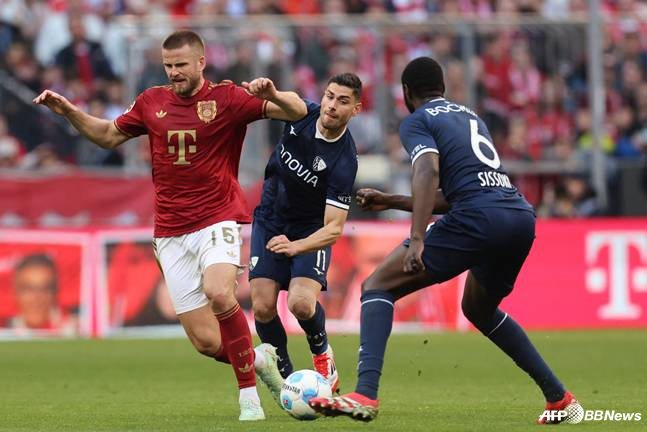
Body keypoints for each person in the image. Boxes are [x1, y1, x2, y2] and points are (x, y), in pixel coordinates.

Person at [33, 29, 307, 421]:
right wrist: (69, 111)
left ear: (201, 62)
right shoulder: (151, 101)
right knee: (207, 342)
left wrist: (273, 94)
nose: (174, 72)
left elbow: (297, 111)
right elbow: (108, 136)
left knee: (219, 292)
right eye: (168, 65)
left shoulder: (227, 98)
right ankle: (260, 362)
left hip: (217, 216)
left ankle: (248, 397)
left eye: (180, 65)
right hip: (170, 231)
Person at [309, 57, 582, 424]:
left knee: (377, 286)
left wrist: (417, 238)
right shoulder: (470, 116)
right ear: (442, 88)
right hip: (517, 216)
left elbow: (427, 170)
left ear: (406, 92)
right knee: (479, 310)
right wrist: (393, 201)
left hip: (477, 217)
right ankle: (559, 398)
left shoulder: (417, 121)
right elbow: (458, 192)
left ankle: (365, 394)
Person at [249, 73, 362, 402]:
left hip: (310, 229)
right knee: (262, 306)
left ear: (355, 110)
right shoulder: (303, 113)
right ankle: (285, 376)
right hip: (270, 219)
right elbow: (291, 101)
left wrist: (296, 246)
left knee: (300, 304)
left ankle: (321, 351)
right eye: (329, 96)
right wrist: (271, 92)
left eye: (342, 101)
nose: (332, 105)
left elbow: (334, 228)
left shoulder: (344, 161)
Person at [11, 253, 76, 335]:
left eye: (45, 289)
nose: (36, 298)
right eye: (28, 289)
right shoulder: (6, 330)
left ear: (55, 292)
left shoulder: (76, 331)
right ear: (16, 293)